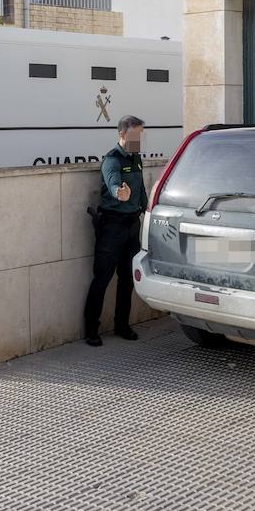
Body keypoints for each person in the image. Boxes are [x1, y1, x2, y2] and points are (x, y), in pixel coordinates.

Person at [82, 115, 147, 347]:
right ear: (122, 134)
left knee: (127, 279)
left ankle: (122, 324)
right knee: (102, 278)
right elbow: (113, 184)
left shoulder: (136, 158)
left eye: (141, 134)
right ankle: (91, 329)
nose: (140, 139)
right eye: (136, 135)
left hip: (132, 225)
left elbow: (141, 190)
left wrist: (147, 209)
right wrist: (120, 192)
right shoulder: (112, 160)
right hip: (113, 226)